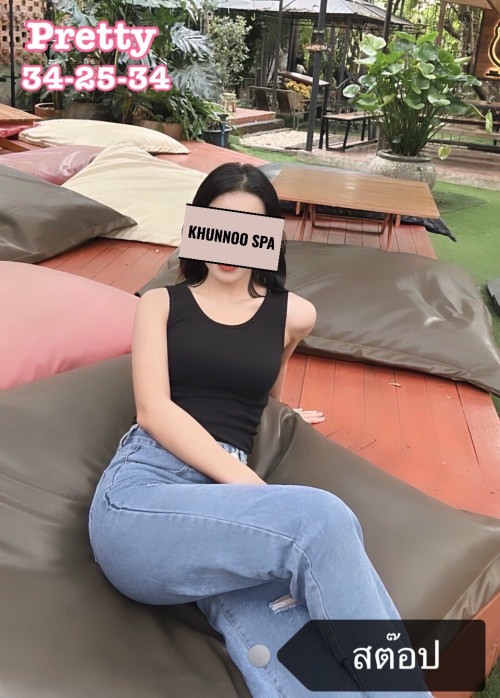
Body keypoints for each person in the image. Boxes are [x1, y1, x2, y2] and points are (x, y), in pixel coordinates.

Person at [88, 163, 433, 697]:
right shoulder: (161, 303)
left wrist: (286, 416)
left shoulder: (294, 314)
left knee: (290, 646)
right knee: (320, 519)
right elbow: (153, 410)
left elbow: (266, 389)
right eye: (218, 223)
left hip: (226, 516)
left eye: (247, 228)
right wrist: (254, 491)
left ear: (269, 236)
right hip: (146, 493)